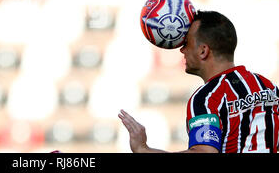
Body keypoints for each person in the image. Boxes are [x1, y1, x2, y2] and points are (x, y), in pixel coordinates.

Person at [118, 10, 279, 153]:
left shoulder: (207, 98)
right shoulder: (268, 86)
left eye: (186, 43)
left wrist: (143, 149)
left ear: (203, 51)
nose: (181, 50)